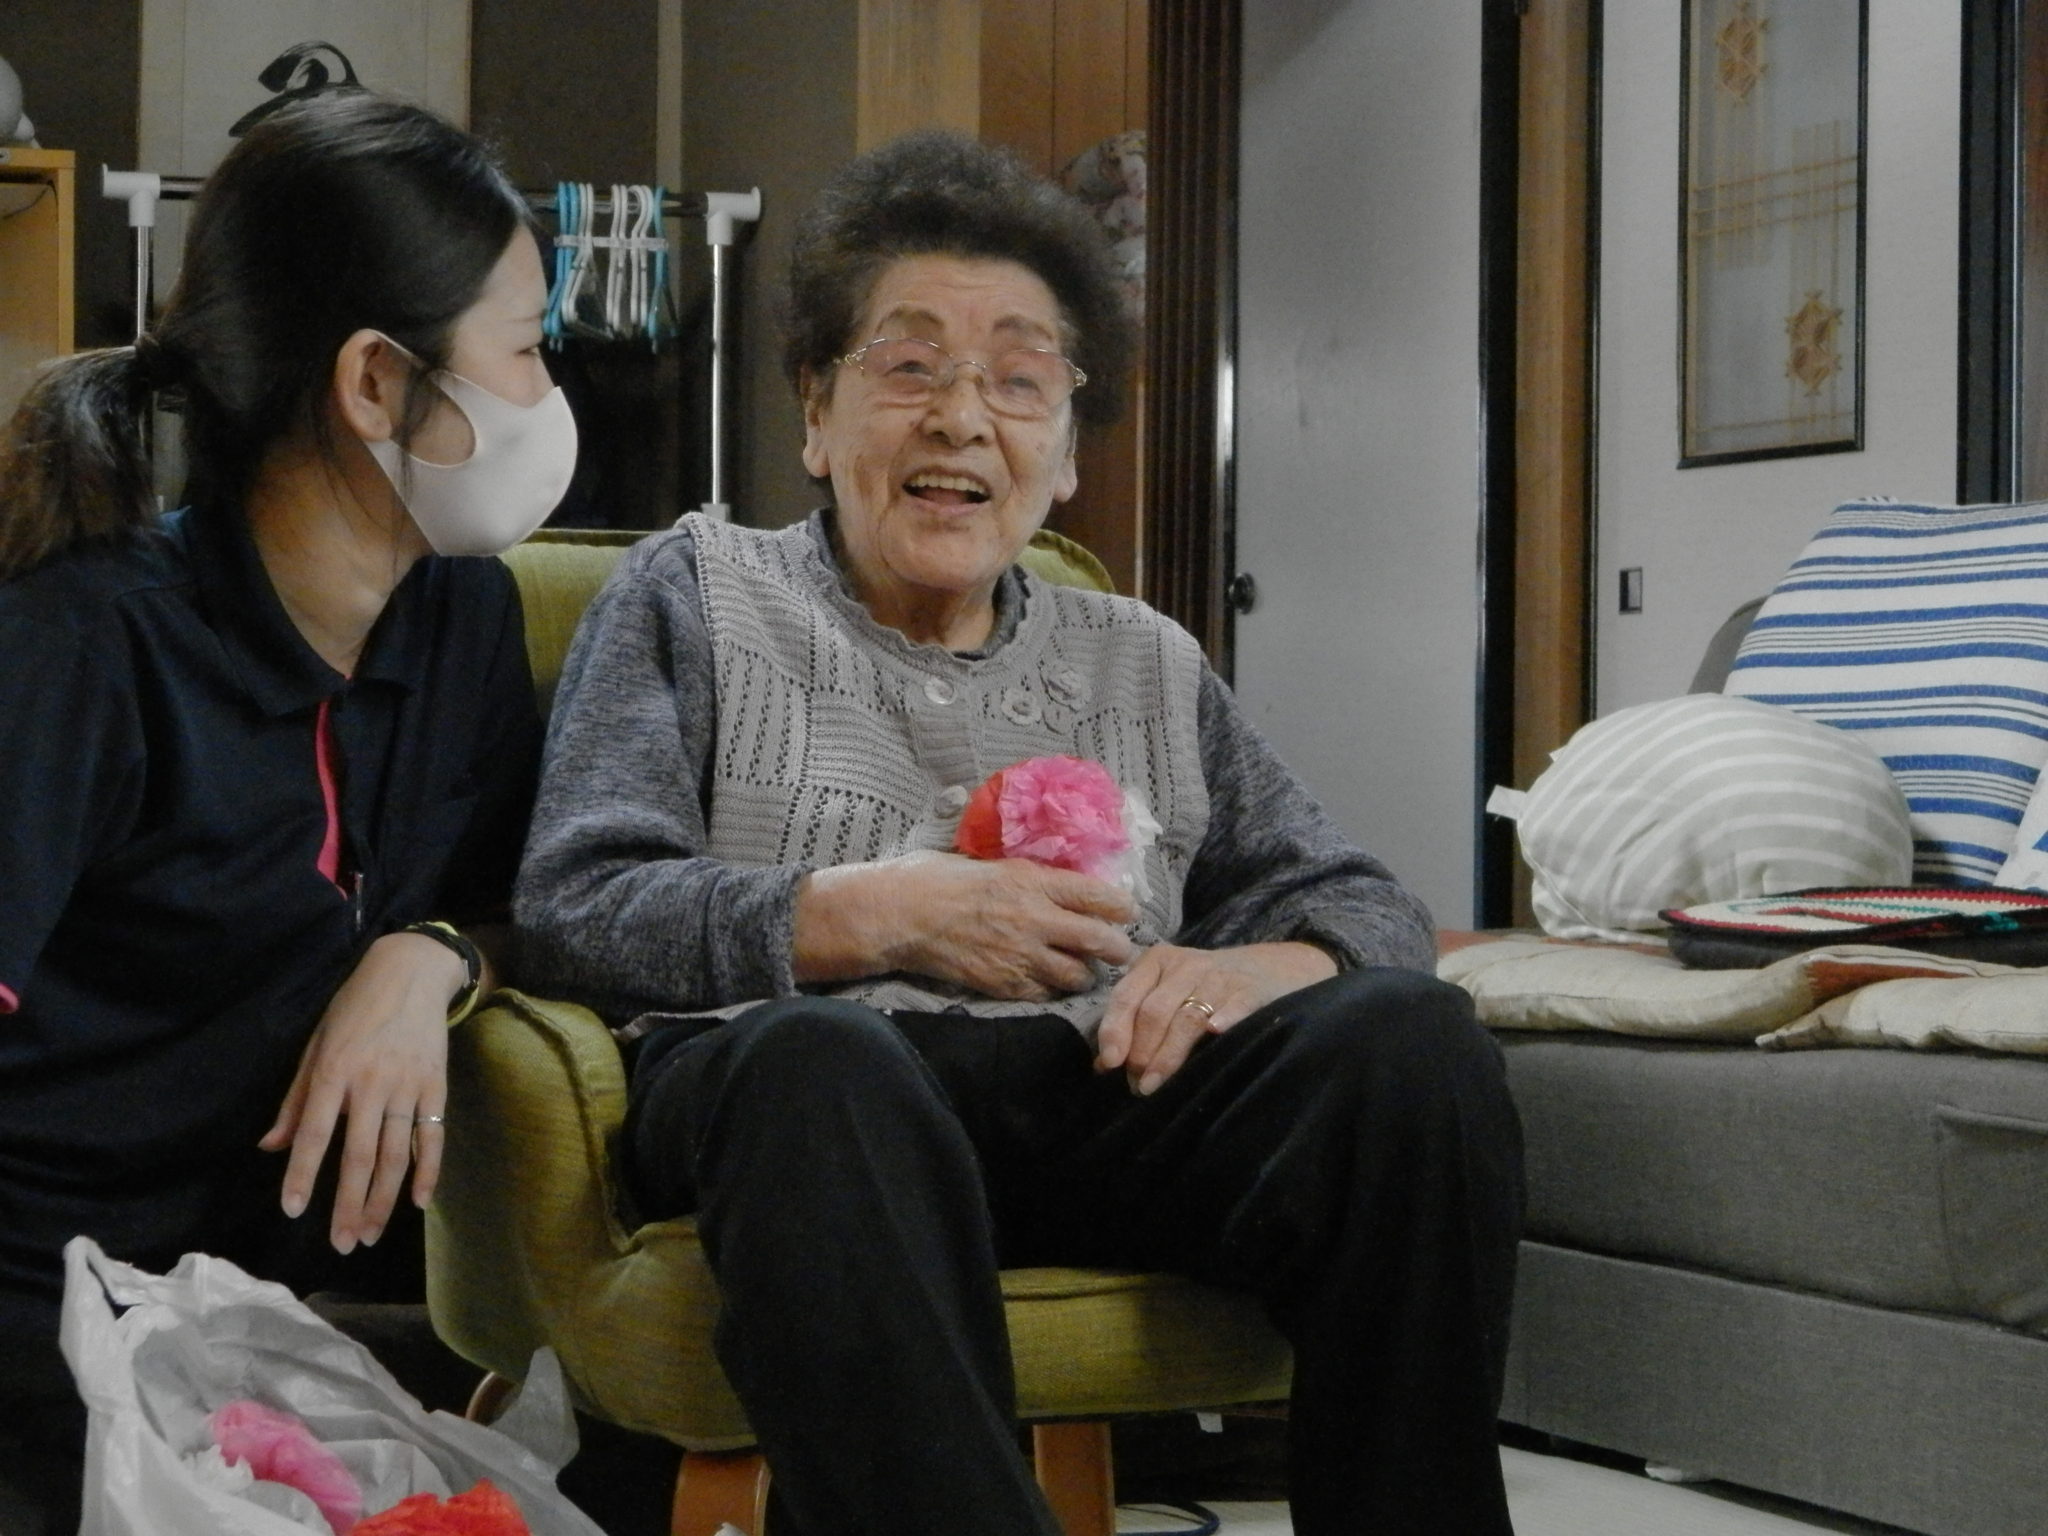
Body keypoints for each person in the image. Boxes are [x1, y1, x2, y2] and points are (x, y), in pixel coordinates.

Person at [515, 130, 1521, 1536]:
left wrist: (1254, 969)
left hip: (1096, 1100)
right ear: (816, 414)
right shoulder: (693, 591)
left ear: (1061, 452)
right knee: (821, 1062)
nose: (962, 418)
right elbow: (575, 906)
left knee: (1413, 1040)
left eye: (1019, 380)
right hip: (809, 1107)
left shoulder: (1143, 658)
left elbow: (1363, 899)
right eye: (909, 366)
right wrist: (877, 912)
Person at [0, 94, 564, 1522]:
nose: (546, 395)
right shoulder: (87, 645)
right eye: (525, 350)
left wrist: (423, 956)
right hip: (48, 1318)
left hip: (275, 1307)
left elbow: (537, 910)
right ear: (376, 382)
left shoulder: (463, 621)